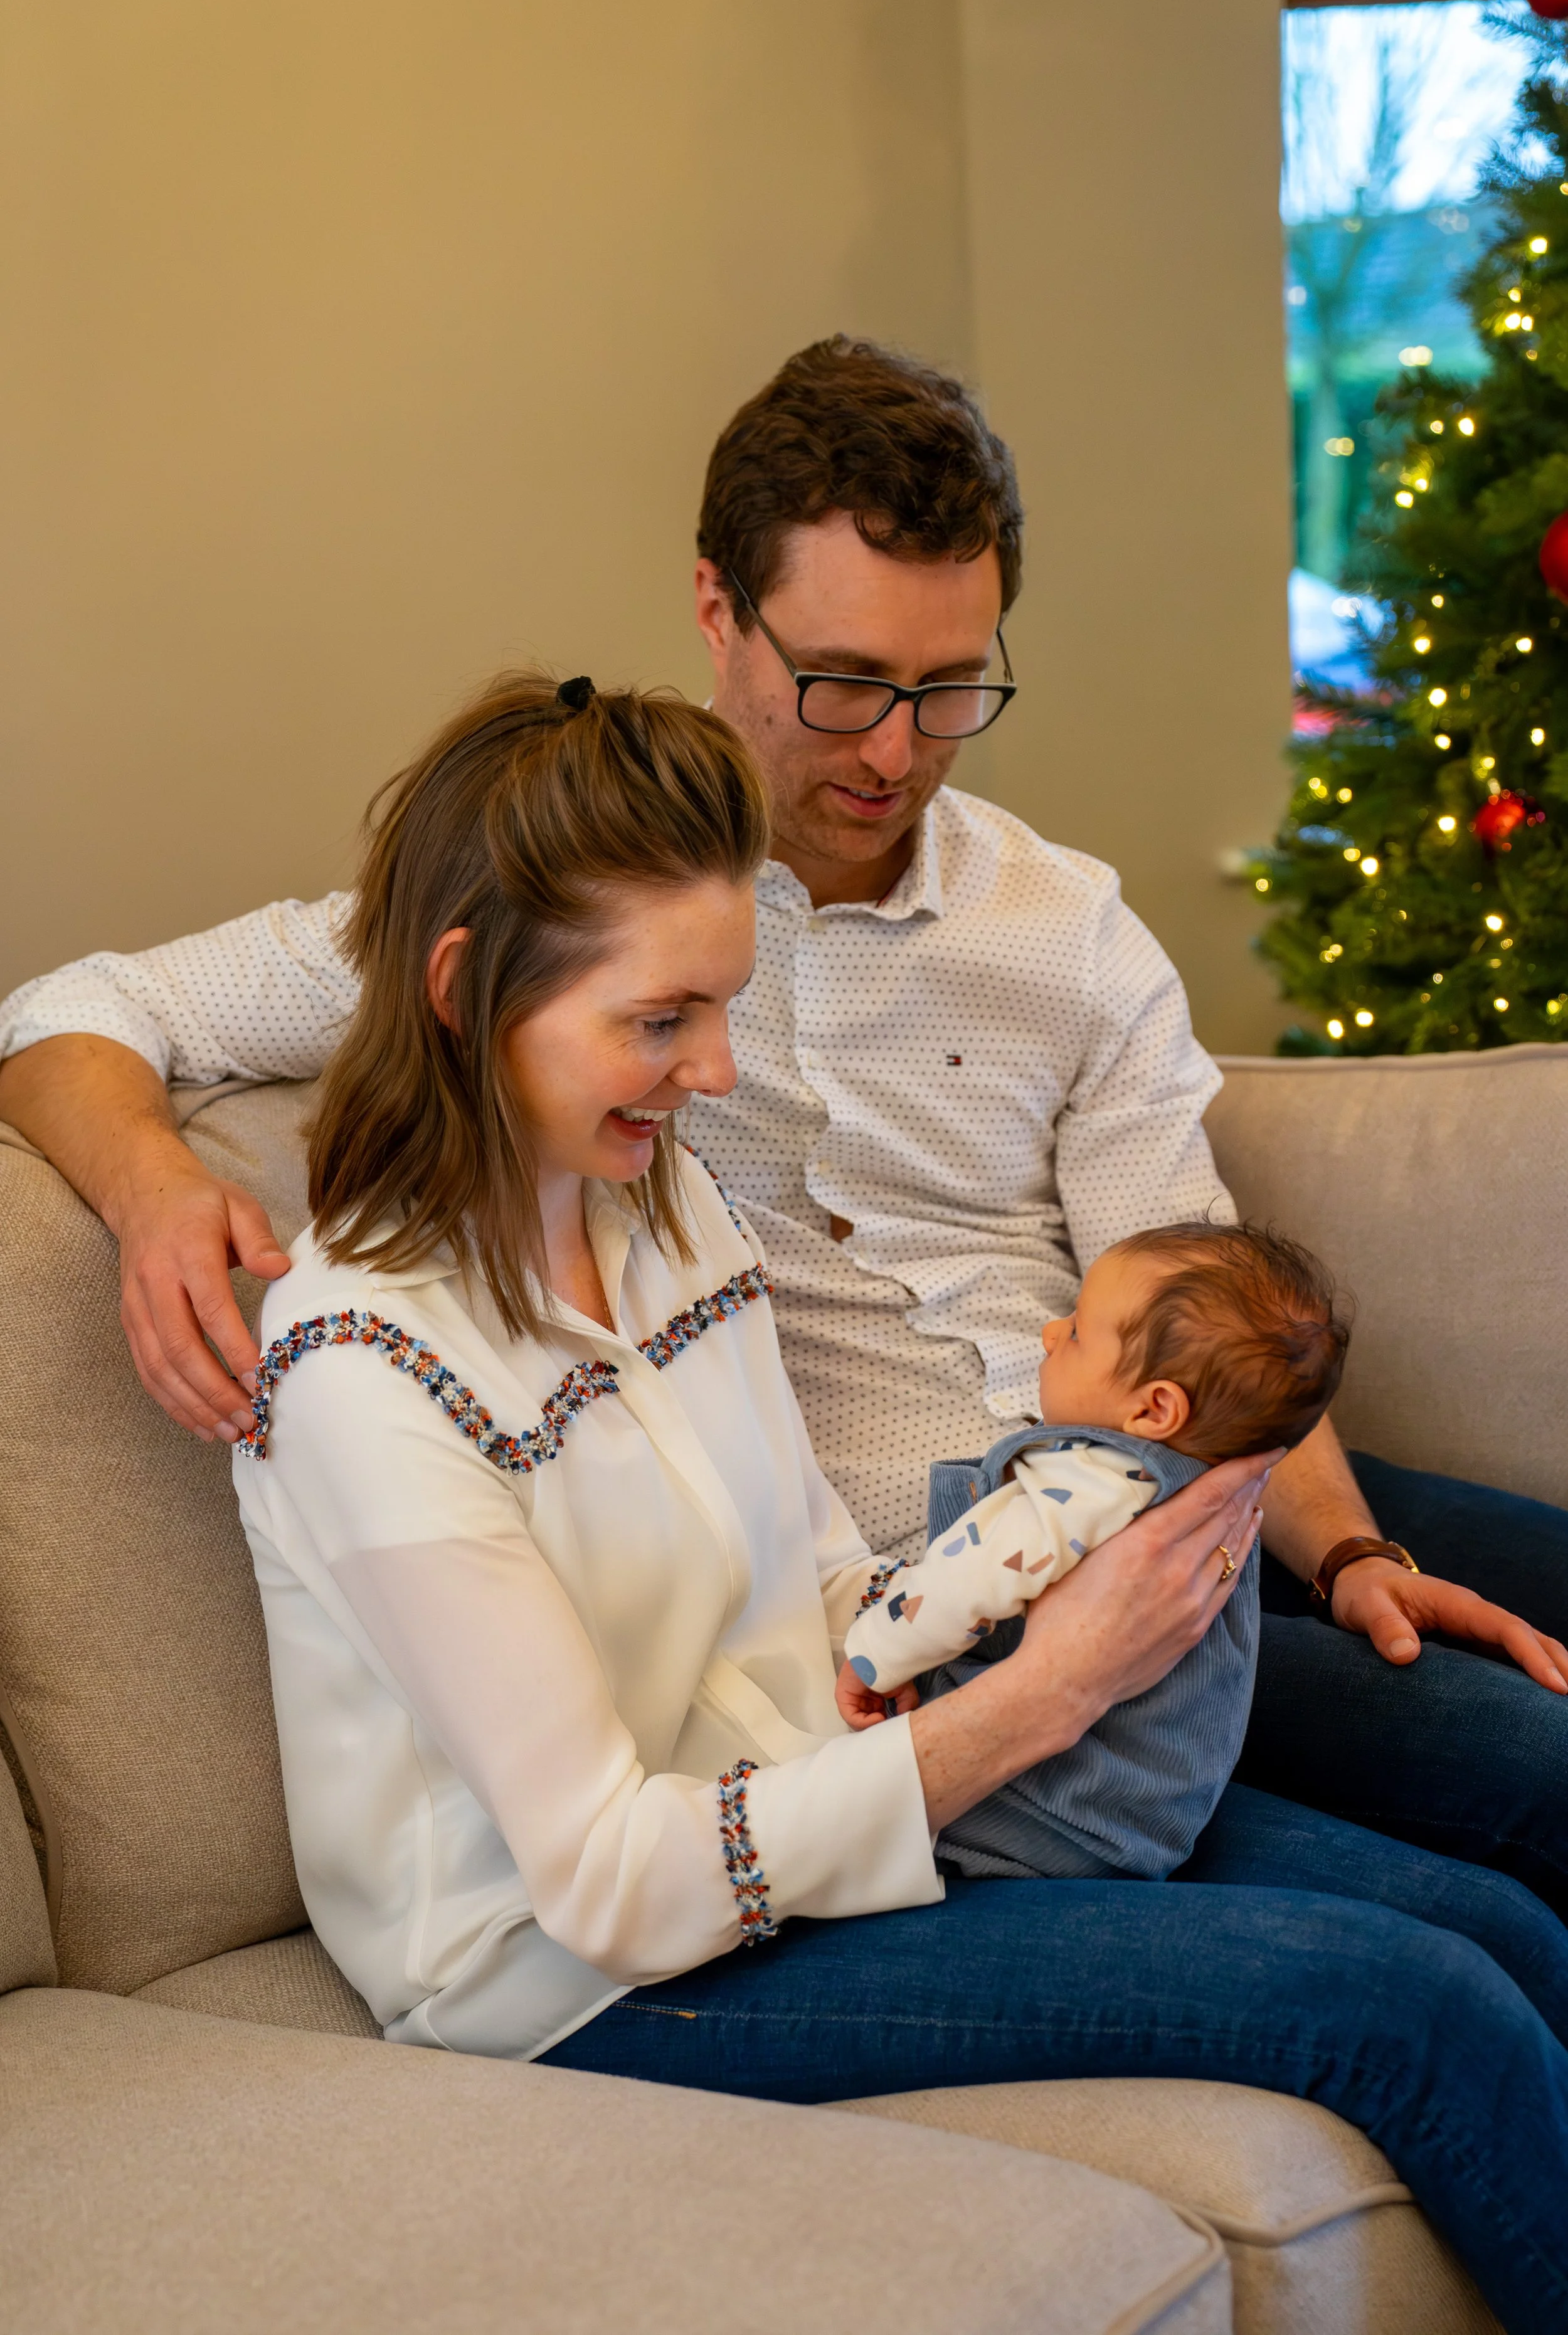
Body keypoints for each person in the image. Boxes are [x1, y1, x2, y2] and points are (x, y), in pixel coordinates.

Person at [2, 336, 1567, 1917]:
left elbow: (1200, 1301)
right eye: (842, 683)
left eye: (949, 687)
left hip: (1176, 1485)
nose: (893, 751)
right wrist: (148, 1193)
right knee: (1533, 1794)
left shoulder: (1064, 929)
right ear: (714, 609)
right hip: (963, 1611)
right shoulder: (576, 919)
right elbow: (73, 1009)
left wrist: (1349, 1557)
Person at [236, 667, 1568, 2332]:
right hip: (587, 1978)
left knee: (1492, 1920)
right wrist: (1049, 1691)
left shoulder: (655, 1211)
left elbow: (804, 1560)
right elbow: (608, 1883)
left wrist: (1003, 1636)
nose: (713, 1071)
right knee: (1406, 2005)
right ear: (461, 990)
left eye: (720, 1007)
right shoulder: (363, 1367)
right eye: (659, 1020)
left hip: (844, 1783)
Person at [839, 1219, 1348, 1885]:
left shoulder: (1086, 1482)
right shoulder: (1210, 1477)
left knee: (851, 1816)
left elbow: (974, 1577)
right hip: (1148, 1809)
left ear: (1154, 1408)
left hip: (1040, 1803)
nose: (1051, 1332)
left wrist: (877, 1653)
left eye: (1076, 1331)